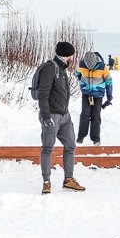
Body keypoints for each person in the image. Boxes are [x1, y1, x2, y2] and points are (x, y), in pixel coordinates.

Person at [37, 41, 85, 194]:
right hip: (51, 115)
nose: (73, 58)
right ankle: (46, 182)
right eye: (72, 55)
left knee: (70, 145)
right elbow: (43, 95)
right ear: (67, 55)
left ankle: (68, 180)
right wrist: (45, 117)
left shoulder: (62, 68)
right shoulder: (51, 68)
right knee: (47, 148)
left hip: (65, 116)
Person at [75, 50, 113, 146]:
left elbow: (109, 82)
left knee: (96, 116)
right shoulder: (81, 65)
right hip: (86, 94)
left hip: (98, 95)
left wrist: (109, 95)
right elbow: (77, 73)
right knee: (85, 114)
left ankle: (96, 139)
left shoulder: (103, 67)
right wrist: (82, 83)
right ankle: (81, 136)